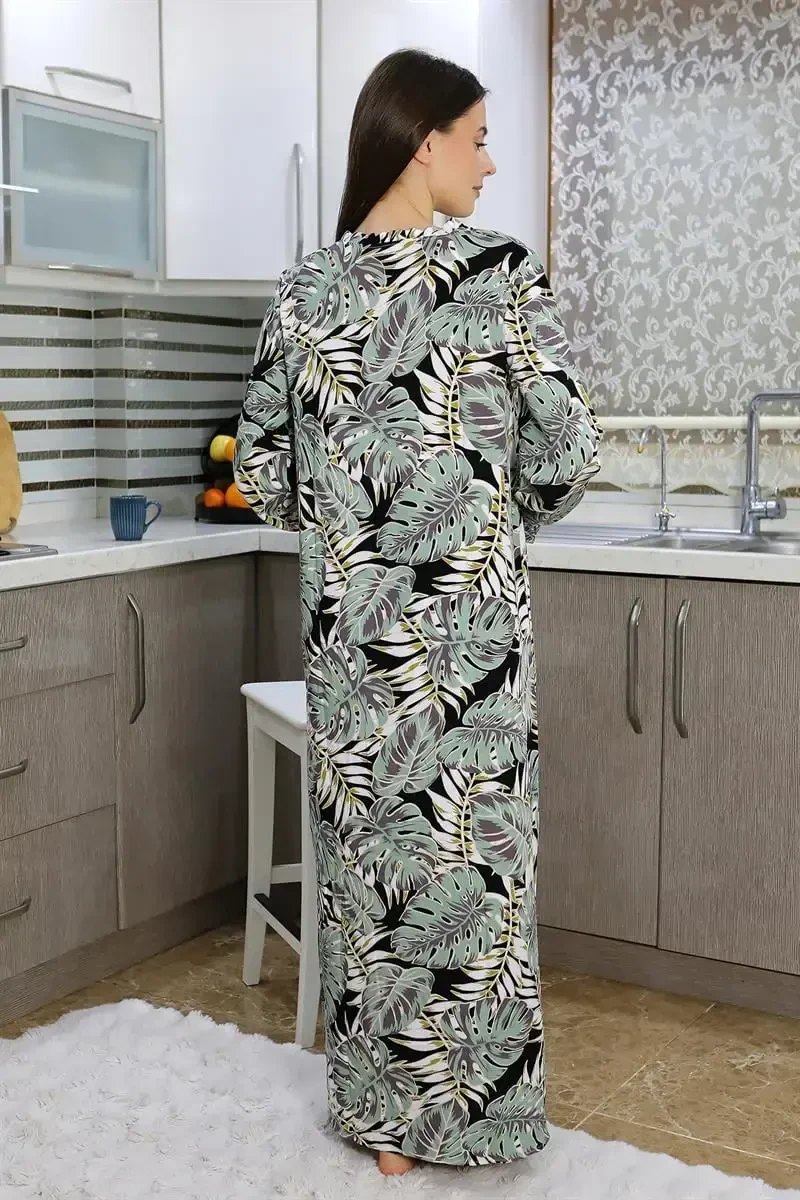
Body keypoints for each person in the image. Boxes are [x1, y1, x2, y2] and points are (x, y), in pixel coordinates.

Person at [235, 48, 601, 1178]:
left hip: (356, 655)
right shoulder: (500, 275)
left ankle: (383, 1129)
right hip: (471, 655)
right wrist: (484, 511)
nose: (489, 164)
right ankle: (475, 1125)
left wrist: (356, 525)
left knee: (376, 886)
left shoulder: (303, 291)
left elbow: (263, 474)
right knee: (477, 887)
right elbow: (566, 452)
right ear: (422, 139)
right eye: (478, 139)